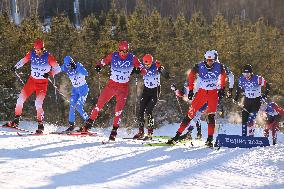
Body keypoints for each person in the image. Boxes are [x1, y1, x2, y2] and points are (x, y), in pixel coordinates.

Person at [79, 40, 147, 141]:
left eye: (126, 51)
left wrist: (138, 70)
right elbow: (103, 62)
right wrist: (98, 66)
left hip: (123, 88)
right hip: (111, 86)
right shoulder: (113, 56)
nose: (124, 53)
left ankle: (113, 132)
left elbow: (144, 70)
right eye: (122, 51)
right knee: (99, 106)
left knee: (118, 111)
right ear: (118, 50)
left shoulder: (132, 58)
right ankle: (87, 126)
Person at [167, 50, 227, 147]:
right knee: (190, 115)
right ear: (205, 59)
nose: (209, 62)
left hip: (213, 94)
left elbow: (224, 76)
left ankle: (209, 140)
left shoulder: (219, 66)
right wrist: (190, 90)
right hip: (201, 93)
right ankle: (177, 136)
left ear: (215, 60)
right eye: (208, 60)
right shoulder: (199, 66)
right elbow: (191, 75)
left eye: (212, 61)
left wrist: (222, 88)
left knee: (211, 116)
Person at [2, 39, 60, 133]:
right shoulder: (32, 54)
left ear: (43, 48)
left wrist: (50, 73)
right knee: (20, 99)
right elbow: (23, 60)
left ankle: (40, 126)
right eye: (36, 50)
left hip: (42, 84)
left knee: (38, 104)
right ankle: (16, 121)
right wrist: (16, 66)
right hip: (31, 82)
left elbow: (58, 69)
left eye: (39, 50)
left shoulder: (49, 57)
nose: (37, 52)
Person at [133, 54, 170, 140]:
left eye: (148, 64)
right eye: (145, 65)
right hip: (146, 90)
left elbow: (167, 76)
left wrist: (161, 69)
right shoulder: (142, 67)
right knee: (141, 110)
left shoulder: (156, 66)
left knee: (148, 111)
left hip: (155, 91)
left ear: (151, 62)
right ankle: (141, 132)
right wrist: (136, 70)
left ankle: (150, 133)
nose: (147, 66)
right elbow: (133, 71)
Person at [234, 64, 270, 137]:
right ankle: (244, 136)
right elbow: (238, 89)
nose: (246, 75)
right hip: (247, 101)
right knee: (244, 119)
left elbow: (268, 86)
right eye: (244, 73)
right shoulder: (241, 79)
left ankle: (251, 136)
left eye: (247, 73)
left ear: (251, 73)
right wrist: (236, 97)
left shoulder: (258, 78)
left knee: (251, 119)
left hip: (256, 101)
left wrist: (264, 96)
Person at [60, 56, 89, 131]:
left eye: (69, 65)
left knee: (79, 107)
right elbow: (57, 69)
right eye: (67, 66)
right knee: (72, 106)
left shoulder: (78, 65)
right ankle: (71, 125)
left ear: (72, 63)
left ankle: (88, 122)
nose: (68, 68)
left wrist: (77, 68)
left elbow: (86, 73)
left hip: (83, 90)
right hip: (75, 90)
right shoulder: (65, 67)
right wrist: (48, 73)